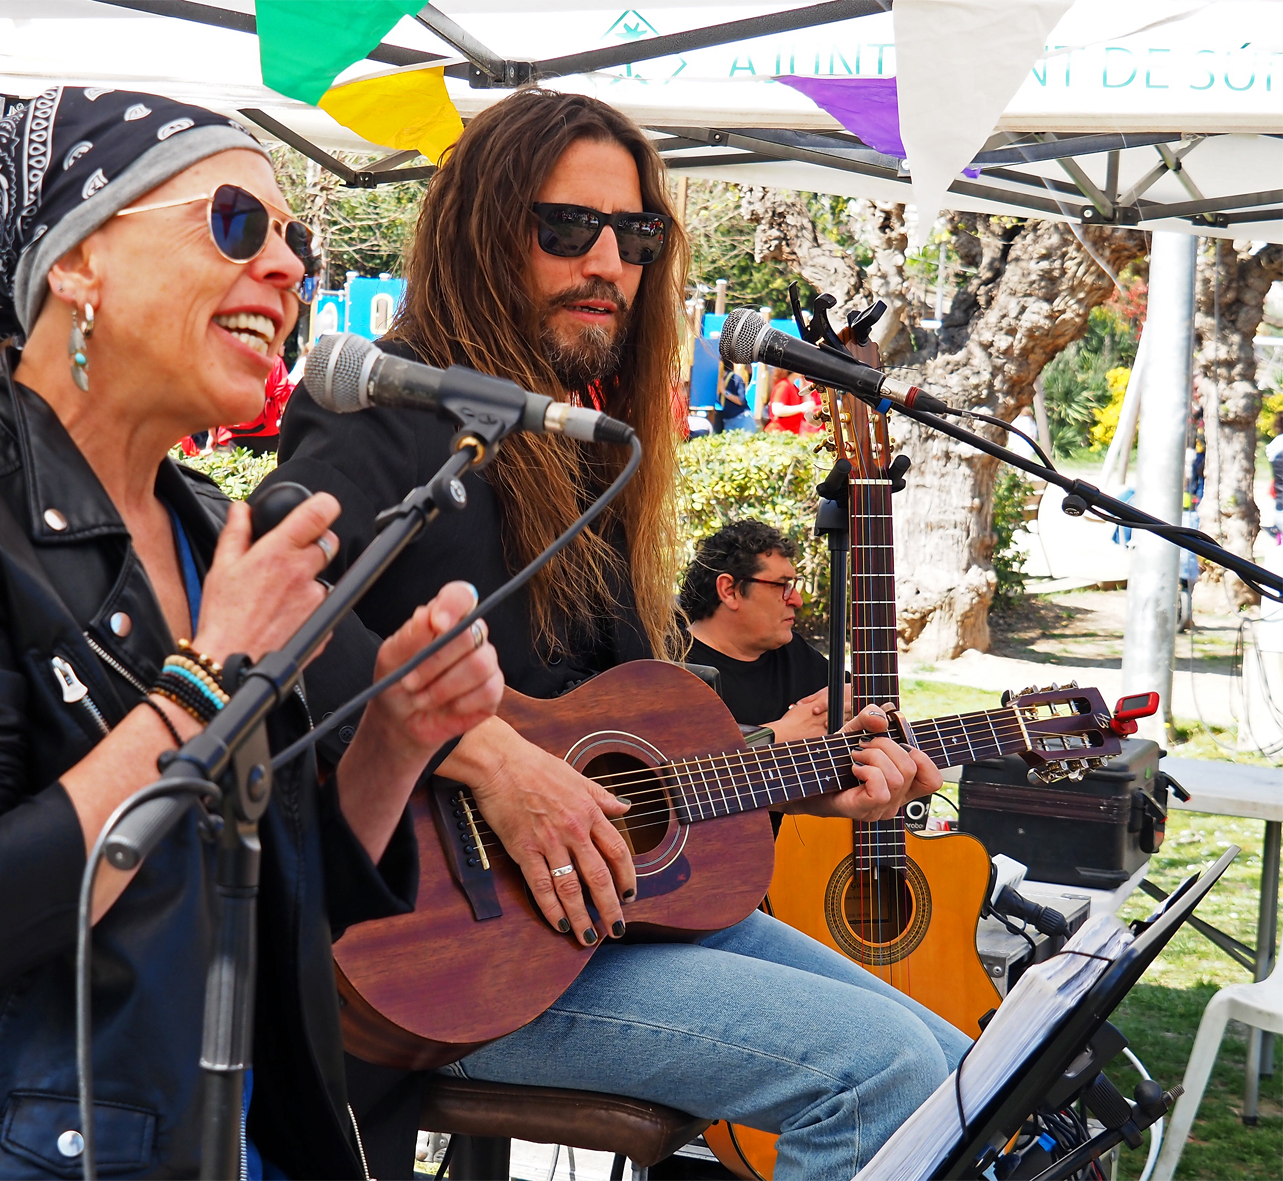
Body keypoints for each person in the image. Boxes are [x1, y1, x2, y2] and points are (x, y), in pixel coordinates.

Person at [0, 88, 503, 1180]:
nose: (285, 268)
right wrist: (208, 675)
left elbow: (268, 899)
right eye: (234, 222)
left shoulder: (209, 528)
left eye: (294, 240)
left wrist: (399, 737)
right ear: (80, 260)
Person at [265, 88, 963, 1180]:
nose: (608, 262)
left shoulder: (594, 450)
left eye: (636, 236)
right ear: (482, 232)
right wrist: (486, 754)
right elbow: (267, 597)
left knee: (963, 1070)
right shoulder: (392, 418)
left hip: (603, 919)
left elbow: (623, 733)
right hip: (438, 947)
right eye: (567, 228)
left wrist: (789, 771)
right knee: (879, 1074)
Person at [681, 520, 829, 740]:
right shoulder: (672, 669)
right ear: (730, 591)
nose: (797, 600)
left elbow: (860, 697)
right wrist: (778, 735)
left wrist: (851, 696)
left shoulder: (792, 651)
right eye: (782, 585)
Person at [765, 367, 820, 434]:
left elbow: (808, 405)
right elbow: (777, 410)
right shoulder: (783, 385)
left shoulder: (793, 387)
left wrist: (804, 383)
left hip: (790, 433)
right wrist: (801, 407)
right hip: (779, 432)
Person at [718, 363, 755, 432]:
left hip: (741, 418)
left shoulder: (736, 379)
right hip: (728, 420)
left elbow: (741, 401)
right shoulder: (719, 380)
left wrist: (724, 392)